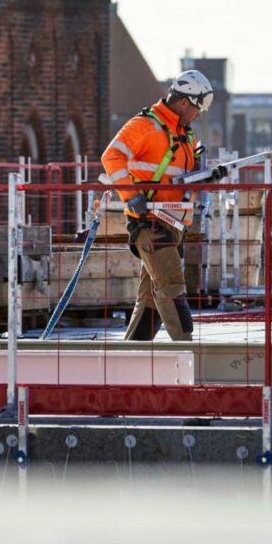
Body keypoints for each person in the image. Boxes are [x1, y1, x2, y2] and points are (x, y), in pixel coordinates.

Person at [101, 70, 218, 341]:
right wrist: (130, 196)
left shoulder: (185, 135)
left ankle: (131, 361)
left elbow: (181, 178)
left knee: (151, 302)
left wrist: (207, 174)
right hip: (152, 224)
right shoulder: (145, 126)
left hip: (173, 225)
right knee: (172, 289)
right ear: (185, 102)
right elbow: (111, 156)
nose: (199, 115)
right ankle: (189, 357)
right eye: (198, 108)